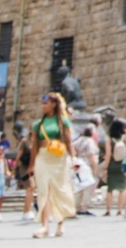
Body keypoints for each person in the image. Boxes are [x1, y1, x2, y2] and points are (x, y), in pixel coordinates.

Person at [26, 93, 74, 238]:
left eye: (45, 104)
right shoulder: (38, 124)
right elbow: (34, 145)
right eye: (42, 104)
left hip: (58, 158)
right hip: (43, 157)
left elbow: (68, 141)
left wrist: (74, 158)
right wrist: (31, 164)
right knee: (43, 190)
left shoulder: (63, 122)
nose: (43, 106)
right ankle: (45, 226)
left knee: (59, 189)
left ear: (53, 105)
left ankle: (60, 222)